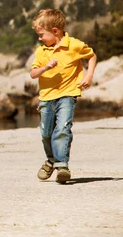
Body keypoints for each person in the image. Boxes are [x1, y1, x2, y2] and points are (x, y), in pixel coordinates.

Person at [30, 9, 97, 184]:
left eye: (41, 34)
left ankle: (62, 166)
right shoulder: (41, 51)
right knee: (46, 133)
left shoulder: (73, 45)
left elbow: (91, 56)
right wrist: (45, 68)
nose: (39, 38)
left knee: (63, 129)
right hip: (46, 97)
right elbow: (33, 73)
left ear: (55, 31)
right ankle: (51, 160)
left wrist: (88, 76)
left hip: (68, 94)